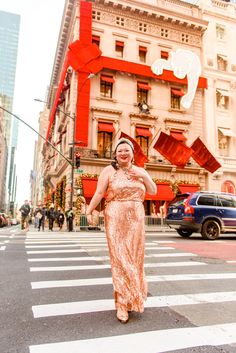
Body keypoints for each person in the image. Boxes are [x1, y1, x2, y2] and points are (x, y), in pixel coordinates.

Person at [86, 138, 157, 324]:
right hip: (116, 217)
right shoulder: (108, 171)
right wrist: (89, 209)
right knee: (120, 260)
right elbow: (99, 193)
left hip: (137, 220)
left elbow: (153, 191)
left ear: (133, 153)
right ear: (115, 155)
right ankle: (121, 304)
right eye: (120, 151)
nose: (123, 153)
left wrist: (144, 175)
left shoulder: (139, 171)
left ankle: (133, 298)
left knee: (135, 259)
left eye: (126, 150)